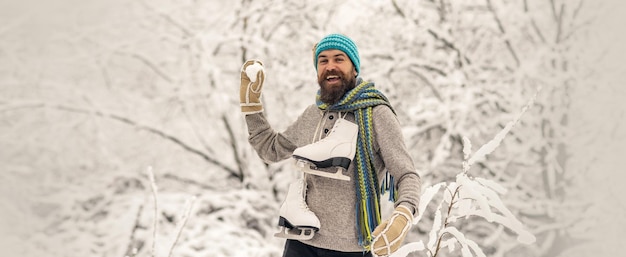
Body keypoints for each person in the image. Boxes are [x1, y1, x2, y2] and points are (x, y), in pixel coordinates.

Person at [238, 33, 421, 257]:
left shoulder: (377, 114)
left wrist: (403, 214)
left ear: (354, 68)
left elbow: (407, 174)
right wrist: (251, 107)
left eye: (339, 59)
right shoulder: (314, 114)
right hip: (301, 242)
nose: (330, 66)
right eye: (323, 60)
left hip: (352, 249)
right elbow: (271, 150)